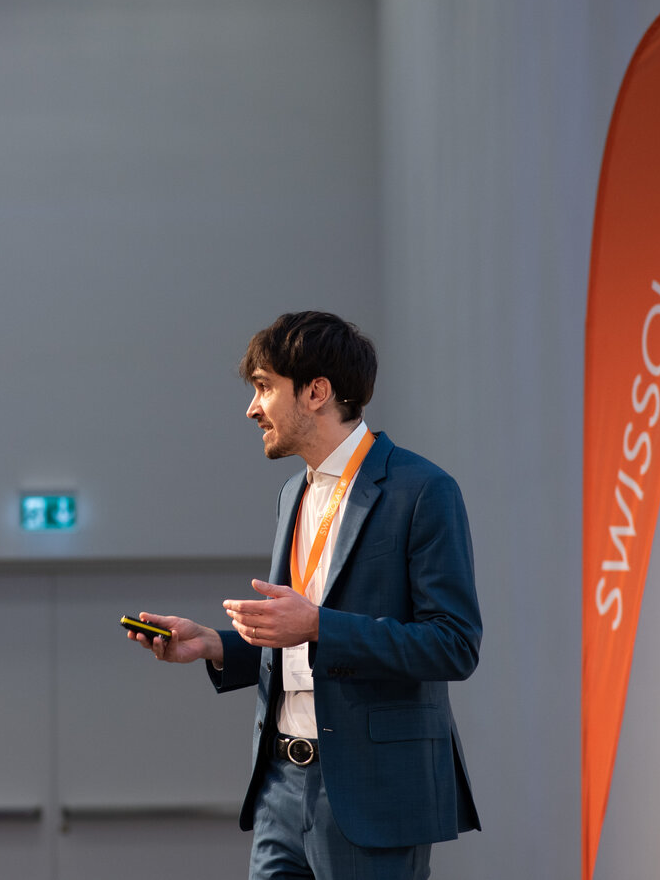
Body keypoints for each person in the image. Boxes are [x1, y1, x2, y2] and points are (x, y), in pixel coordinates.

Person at [128, 311, 481, 880]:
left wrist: (319, 625)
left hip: (372, 792)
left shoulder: (423, 490)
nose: (252, 409)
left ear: (317, 392)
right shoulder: (292, 492)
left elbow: (453, 645)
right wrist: (215, 646)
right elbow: (299, 642)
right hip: (279, 788)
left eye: (264, 387)